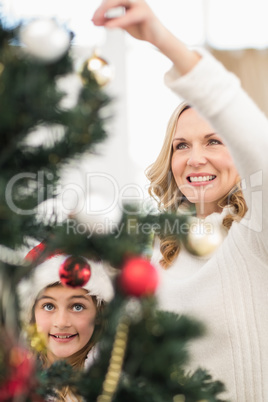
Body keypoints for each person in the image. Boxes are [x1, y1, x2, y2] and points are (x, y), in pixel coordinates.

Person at [92, 1, 268, 401]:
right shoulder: (150, 248)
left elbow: (259, 142)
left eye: (214, 141)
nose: (195, 159)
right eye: (181, 145)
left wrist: (163, 40)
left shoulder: (257, 236)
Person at [18, 243, 114, 401]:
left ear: (99, 315)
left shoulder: (114, 386)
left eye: (77, 307)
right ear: (31, 314)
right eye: (48, 306)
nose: (61, 323)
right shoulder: (12, 385)